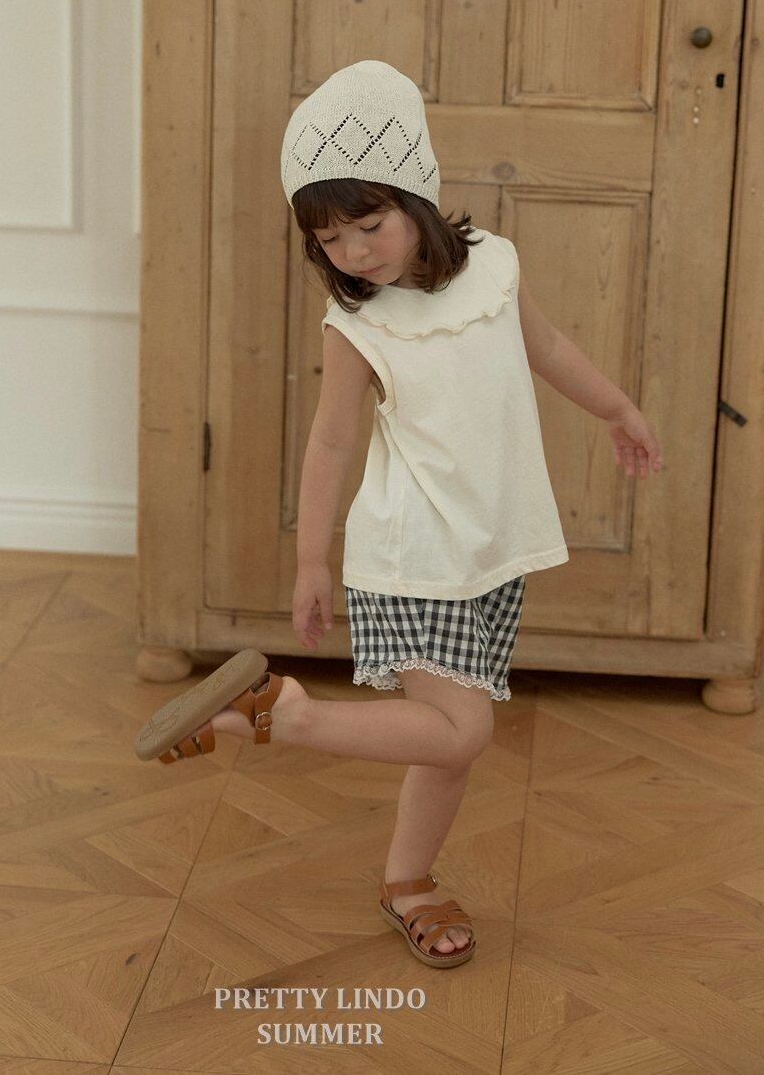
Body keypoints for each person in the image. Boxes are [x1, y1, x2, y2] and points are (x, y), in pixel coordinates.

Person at [134, 60, 663, 969]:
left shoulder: (493, 266)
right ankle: (280, 714)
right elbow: (330, 443)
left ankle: (406, 882)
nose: (353, 253)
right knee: (462, 728)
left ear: (414, 192)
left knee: (445, 742)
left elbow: (547, 346)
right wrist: (310, 562)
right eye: (329, 239)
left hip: (489, 546)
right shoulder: (359, 325)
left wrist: (616, 408)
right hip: (413, 550)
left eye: (367, 226)